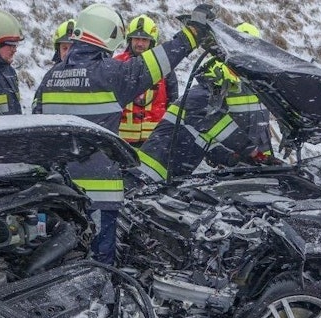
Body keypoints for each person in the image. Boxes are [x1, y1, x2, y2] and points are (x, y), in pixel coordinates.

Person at [33, 3, 213, 264]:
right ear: (108, 36)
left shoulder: (51, 77)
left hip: (60, 191)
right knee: (99, 264)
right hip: (100, 194)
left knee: (60, 258)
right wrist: (193, 32)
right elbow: (161, 60)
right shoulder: (111, 74)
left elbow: (38, 126)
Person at [135, 60, 271, 182]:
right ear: (218, 83)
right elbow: (218, 127)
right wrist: (249, 148)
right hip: (151, 170)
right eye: (227, 87)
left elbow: (205, 143)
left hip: (165, 171)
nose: (226, 93)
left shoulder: (205, 104)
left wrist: (232, 158)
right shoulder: (200, 97)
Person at [115, 15, 178, 147]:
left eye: (144, 40)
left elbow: (173, 105)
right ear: (129, 40)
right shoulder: (116, 64)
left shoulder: (165, 67)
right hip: (122, 141)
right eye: (136, 39)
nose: (139, 44)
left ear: (152, 42)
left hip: (154, 141)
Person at [227, 22, 274, 160]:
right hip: (234, 144)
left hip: (262, 143)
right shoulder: (222, 68)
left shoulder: (264, 72)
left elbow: (280, 104)